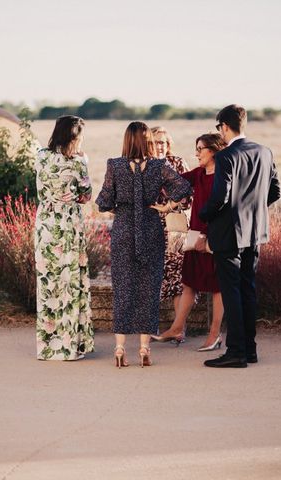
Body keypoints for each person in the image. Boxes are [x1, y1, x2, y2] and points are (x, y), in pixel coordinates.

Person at [96, 121, 192, 368]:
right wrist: (167, 206)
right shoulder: (159, 166)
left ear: (126, 140)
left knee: (123, 288)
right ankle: (144, 348)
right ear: (147, 141)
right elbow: (184, 187)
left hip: (124, 230)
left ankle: (119, 349)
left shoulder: (114, 165)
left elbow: (103, 202)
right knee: (149, 290)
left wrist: (120, 206)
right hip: (151, 228)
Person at [199, 105, 281, 368]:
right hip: (255, 233)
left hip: (228, 234)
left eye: (218, 128)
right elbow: (275, 191)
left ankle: (235, 352)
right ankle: (249, 349)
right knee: (247, 290)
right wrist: (252, 211)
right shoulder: (264, 152)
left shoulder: (226, 157)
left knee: (231, 292)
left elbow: (220, 198)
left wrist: (203, 214)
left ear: (224, 126)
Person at [151, 133, 227, 351]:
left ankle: (214, 335)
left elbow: (224, 210)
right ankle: (176, 327)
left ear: (213, 150)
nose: (196, 153)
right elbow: (176, 184)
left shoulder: (223, 177)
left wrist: (208, 237)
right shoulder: (200, 173)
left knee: (217, 288)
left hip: (213, 239)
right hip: (195, 237)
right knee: (189, 282)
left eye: (200, 149)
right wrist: (167, 206)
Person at [34, 115, 94, 361]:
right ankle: (70, 347)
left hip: (45, 224)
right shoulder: (79, 163)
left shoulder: (40, 156)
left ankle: (48, 348)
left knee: (48, 284)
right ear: (73, 137)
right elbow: (86, 195)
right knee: (70, 283)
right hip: (67, 226)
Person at [150, 126, 191, 340]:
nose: (159, 146)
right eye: (155, 142)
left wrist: (170, 204)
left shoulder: (178, 163)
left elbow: (189, 194)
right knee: (151, 276)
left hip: (175, 227)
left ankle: (179, 329)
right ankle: (148, 329)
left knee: (177, 277)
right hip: (150, 227)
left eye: (163, 142)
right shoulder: (143, 165)